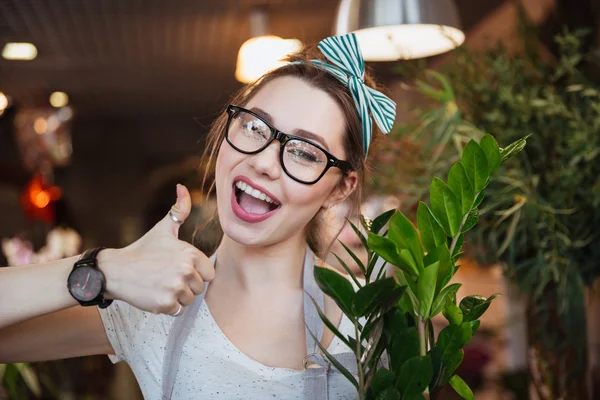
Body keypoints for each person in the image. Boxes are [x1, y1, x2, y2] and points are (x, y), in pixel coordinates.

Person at [0, 34, 396, 399]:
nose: (263, 163)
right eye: (256, 127)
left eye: (304, 152)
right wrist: (104, 268)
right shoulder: (150, 307)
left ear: (340, 188)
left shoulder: (375, 318)